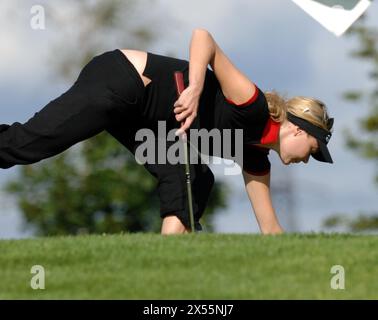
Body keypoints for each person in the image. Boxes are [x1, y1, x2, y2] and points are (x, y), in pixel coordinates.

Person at [0, 28, 333, 235]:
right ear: (299, 129)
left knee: (195, 177)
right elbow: (204, 37)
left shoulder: (256, 157)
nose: (307, 160)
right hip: (122, 80)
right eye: (314, 151)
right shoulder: (253, 105)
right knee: (29, 144)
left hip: (140, 116)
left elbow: (271, 229)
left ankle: (169, 255)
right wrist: (195, 88)